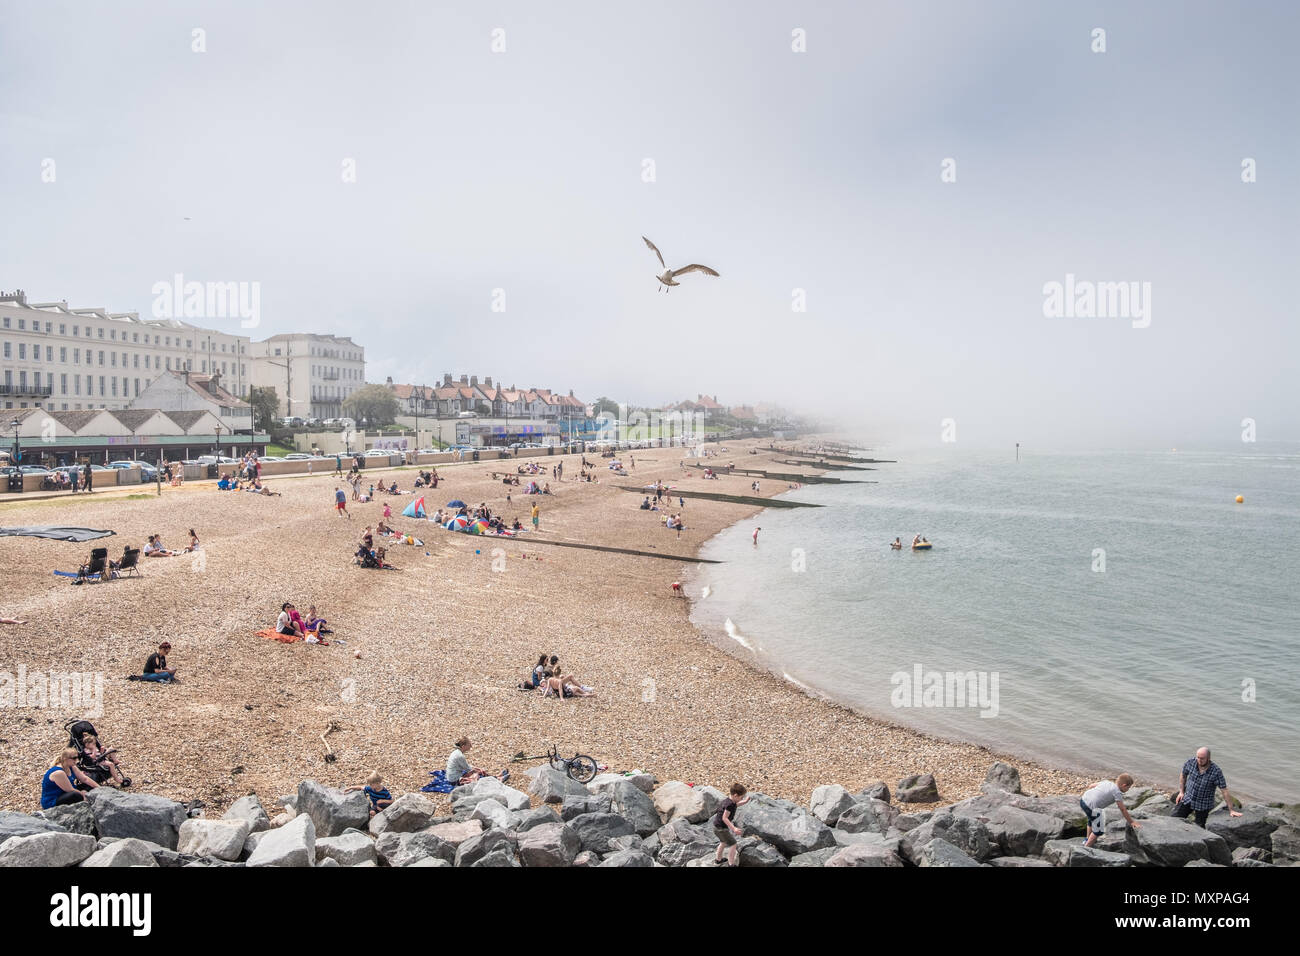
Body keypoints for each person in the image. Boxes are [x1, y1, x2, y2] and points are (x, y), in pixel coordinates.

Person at [1174, 748, 1242, 828]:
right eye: (1198, 757)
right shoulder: (1191, 762)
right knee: (1174, 819)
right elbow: (1183, 775)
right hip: (1188, 798)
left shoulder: (1216, 772)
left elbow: (1224, 791)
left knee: (1199, 828)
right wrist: (1181, 791)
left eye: (1202, 758)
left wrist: (1231, 810)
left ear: (1208, 758)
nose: (1199, 760)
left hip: (1203, 804)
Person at [1080, 774, 1141, 847]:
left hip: (1083, 800)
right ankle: (1086, 847)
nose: (1128, 790)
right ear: (1124, 785)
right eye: (1128, 788)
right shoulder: (1117, 792)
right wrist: (1132, 822)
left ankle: (1087, 839)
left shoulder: (1107, 782)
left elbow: (1091, 786)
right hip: (1092, 807)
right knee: (1098, 831)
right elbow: (1122, 809)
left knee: (1092, 820)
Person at [712, 783, 751, 866]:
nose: (742, 799)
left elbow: (736, 805)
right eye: (741, 797)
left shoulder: (729, 801)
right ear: (736, 795)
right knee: (733, 844)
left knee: (723, 842)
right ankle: (731, 863)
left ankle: (718, 859)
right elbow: (724, 818)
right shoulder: (729, 804)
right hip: (721, 828)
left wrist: (745, 801)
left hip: (716, 826)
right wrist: (734, 828)